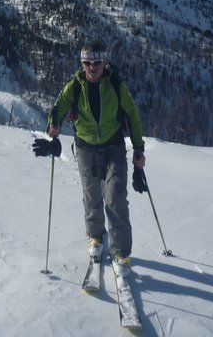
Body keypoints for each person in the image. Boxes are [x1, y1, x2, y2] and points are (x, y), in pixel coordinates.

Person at [33, 40, 145, 277]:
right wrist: (52, 127)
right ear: (82, 63)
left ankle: (121, 252)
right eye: (87, 63)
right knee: (92, 196)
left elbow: (133, 114)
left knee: (115, 197)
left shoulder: (115, 85)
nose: (92, 68)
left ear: (105, 62)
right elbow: (58, 107)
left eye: (96, 62)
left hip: (113, 146)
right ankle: (95, 238)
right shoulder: (75, 86)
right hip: (86, 148)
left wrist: (138, 148)